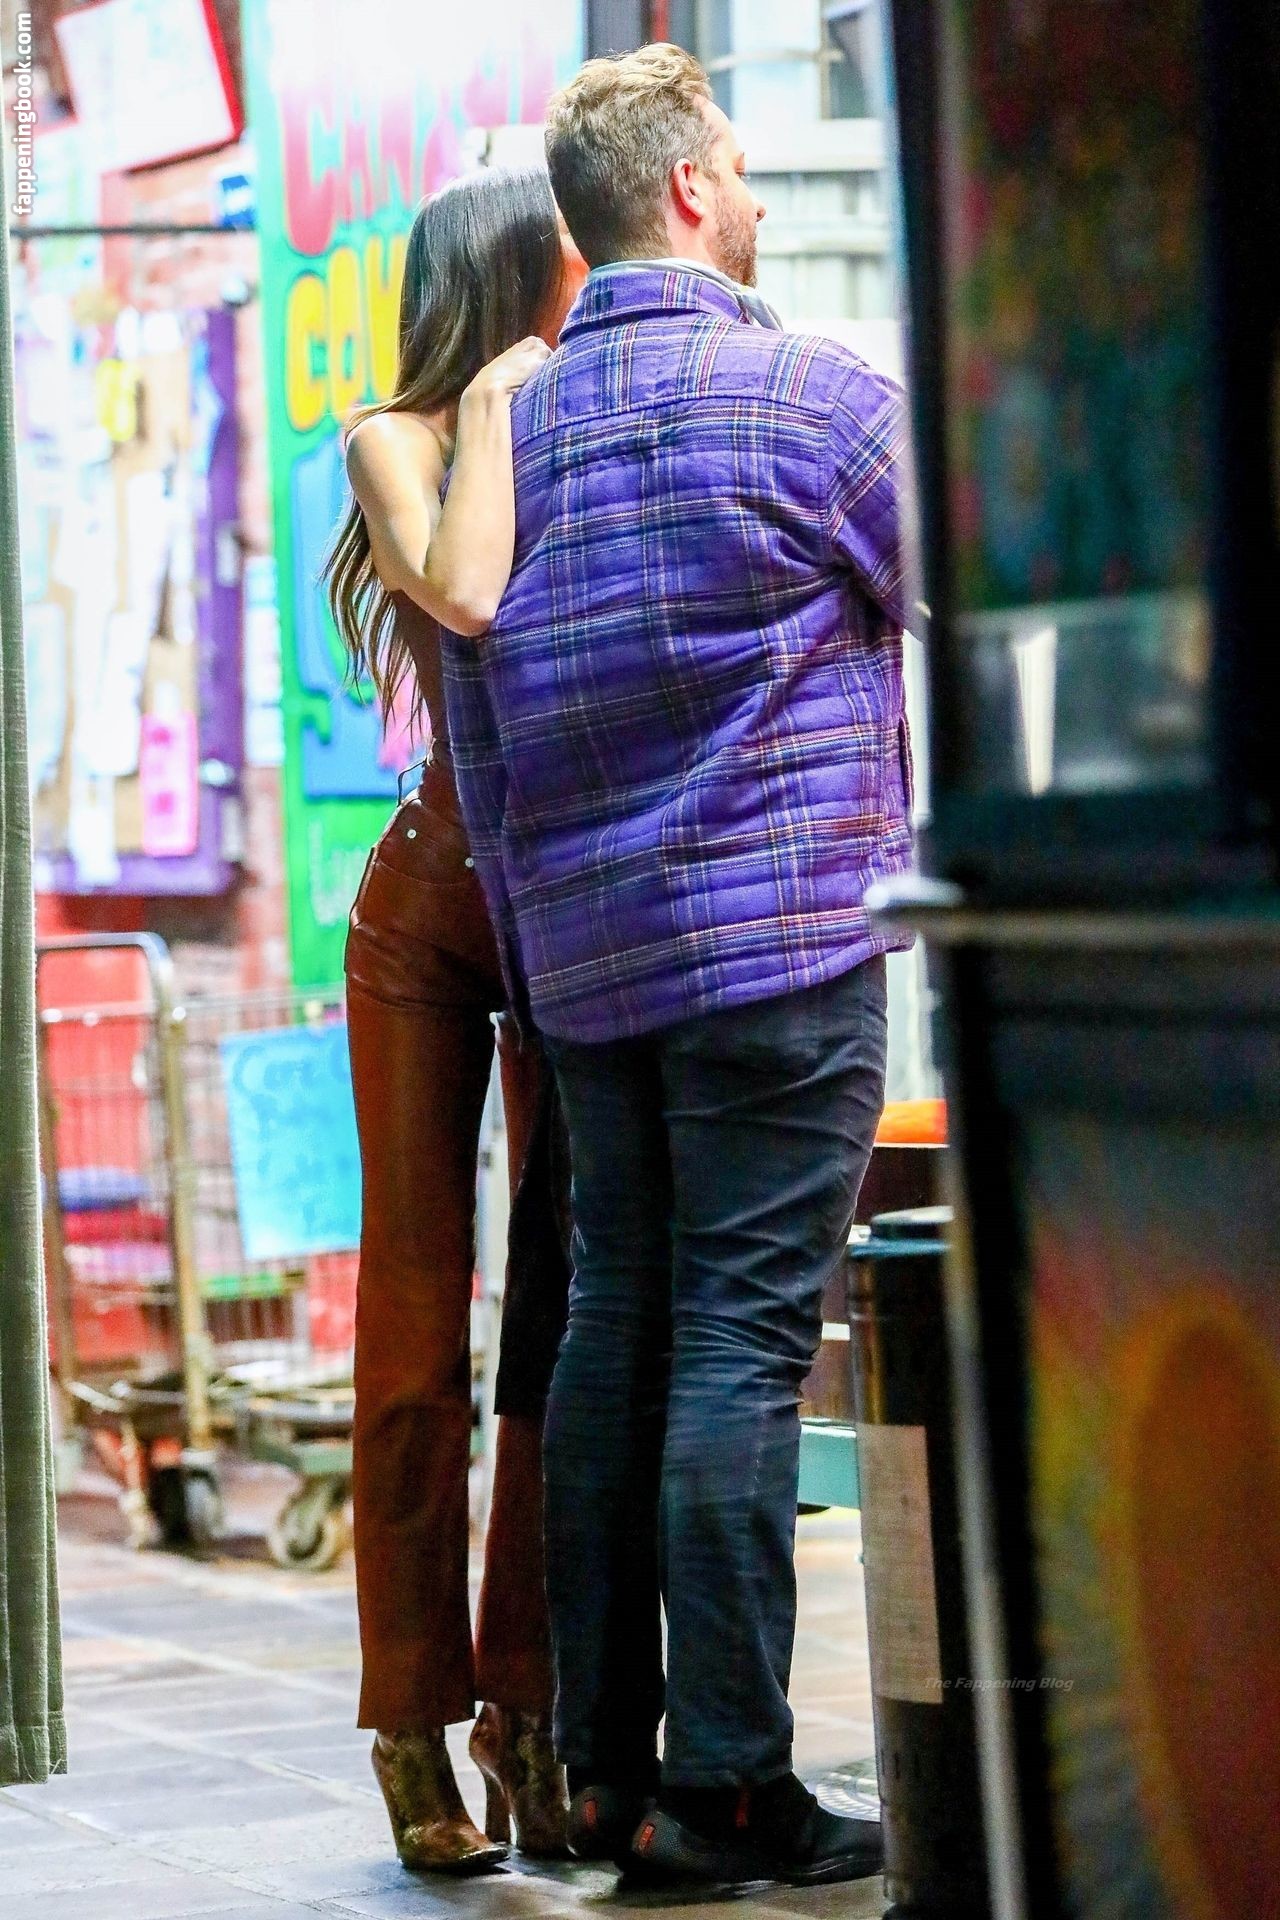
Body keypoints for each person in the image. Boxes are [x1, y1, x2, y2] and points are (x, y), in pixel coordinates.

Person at [441, 46, 912, 1889]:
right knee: (737, 1343)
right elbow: (971, 587)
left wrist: (544, 957)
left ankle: (604, 1775)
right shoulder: (813, 401)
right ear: (694, 190)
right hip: (782, 954)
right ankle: (726, 1787)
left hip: (589, 971)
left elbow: (480, 748)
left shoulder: (506, 440)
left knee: (612, 1331)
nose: (764, 195)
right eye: (745, 166)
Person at [322, 168, 586, 1875]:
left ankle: (531, 1709)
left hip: (564, 897)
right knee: (417, 1320)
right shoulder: (394, 435)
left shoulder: (585, 415)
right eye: (563, 261)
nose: (588, 282)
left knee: (557, 1318)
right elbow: (458, 589)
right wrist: (492, 405)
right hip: (426, 912)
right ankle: (410, 1721)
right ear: (504, 278)